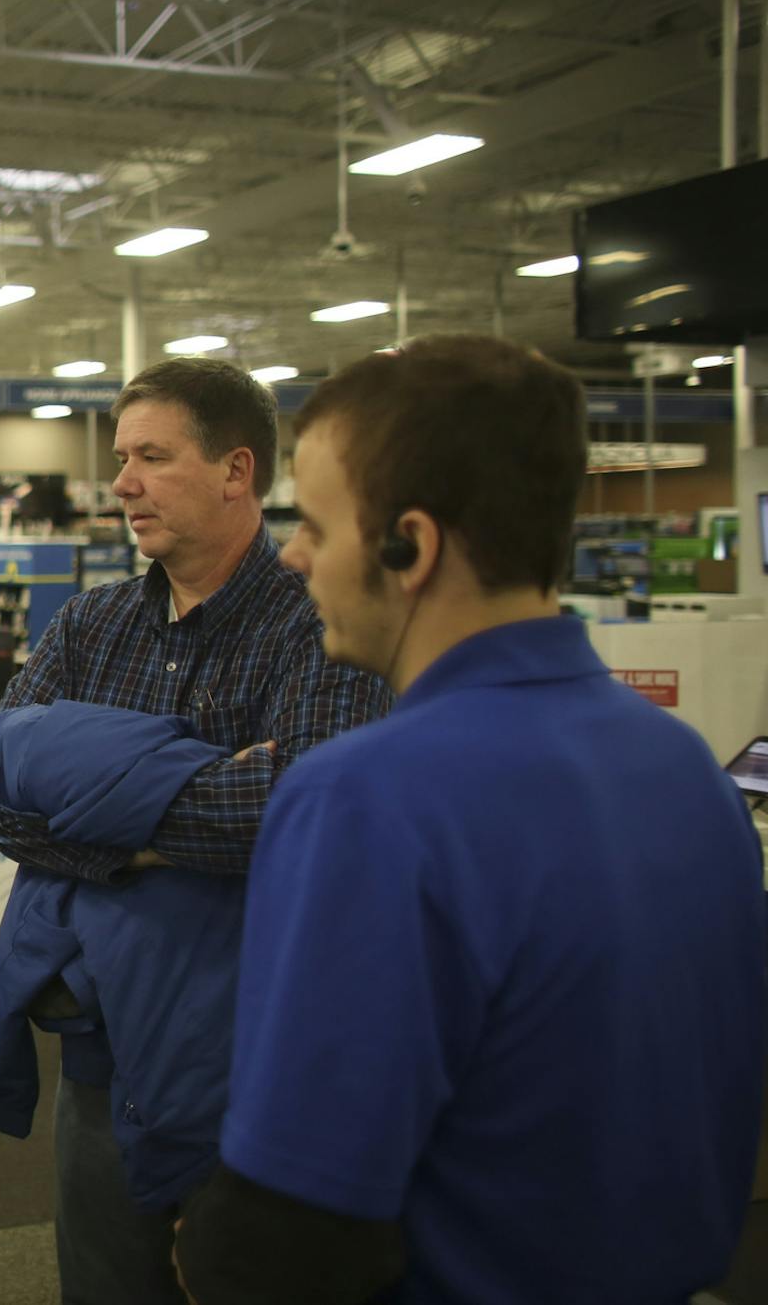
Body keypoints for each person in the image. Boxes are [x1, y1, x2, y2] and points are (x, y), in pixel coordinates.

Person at [174, 336, 767, 1303]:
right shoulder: (690, 771)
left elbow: (288, 1235)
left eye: (315, 524)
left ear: (410, 546)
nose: (295, 555)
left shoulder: (366, 798)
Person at [0, 357, 390, 1305]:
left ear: (237, 470)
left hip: (254, 1051)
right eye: (122, 458)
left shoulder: (317, 623)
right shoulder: (93, 624)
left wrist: (91, 799)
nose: (122, 483)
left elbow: (298, 809)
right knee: (106, 1284)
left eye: (152, 458)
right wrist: (161, 827)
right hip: (98, 1052)